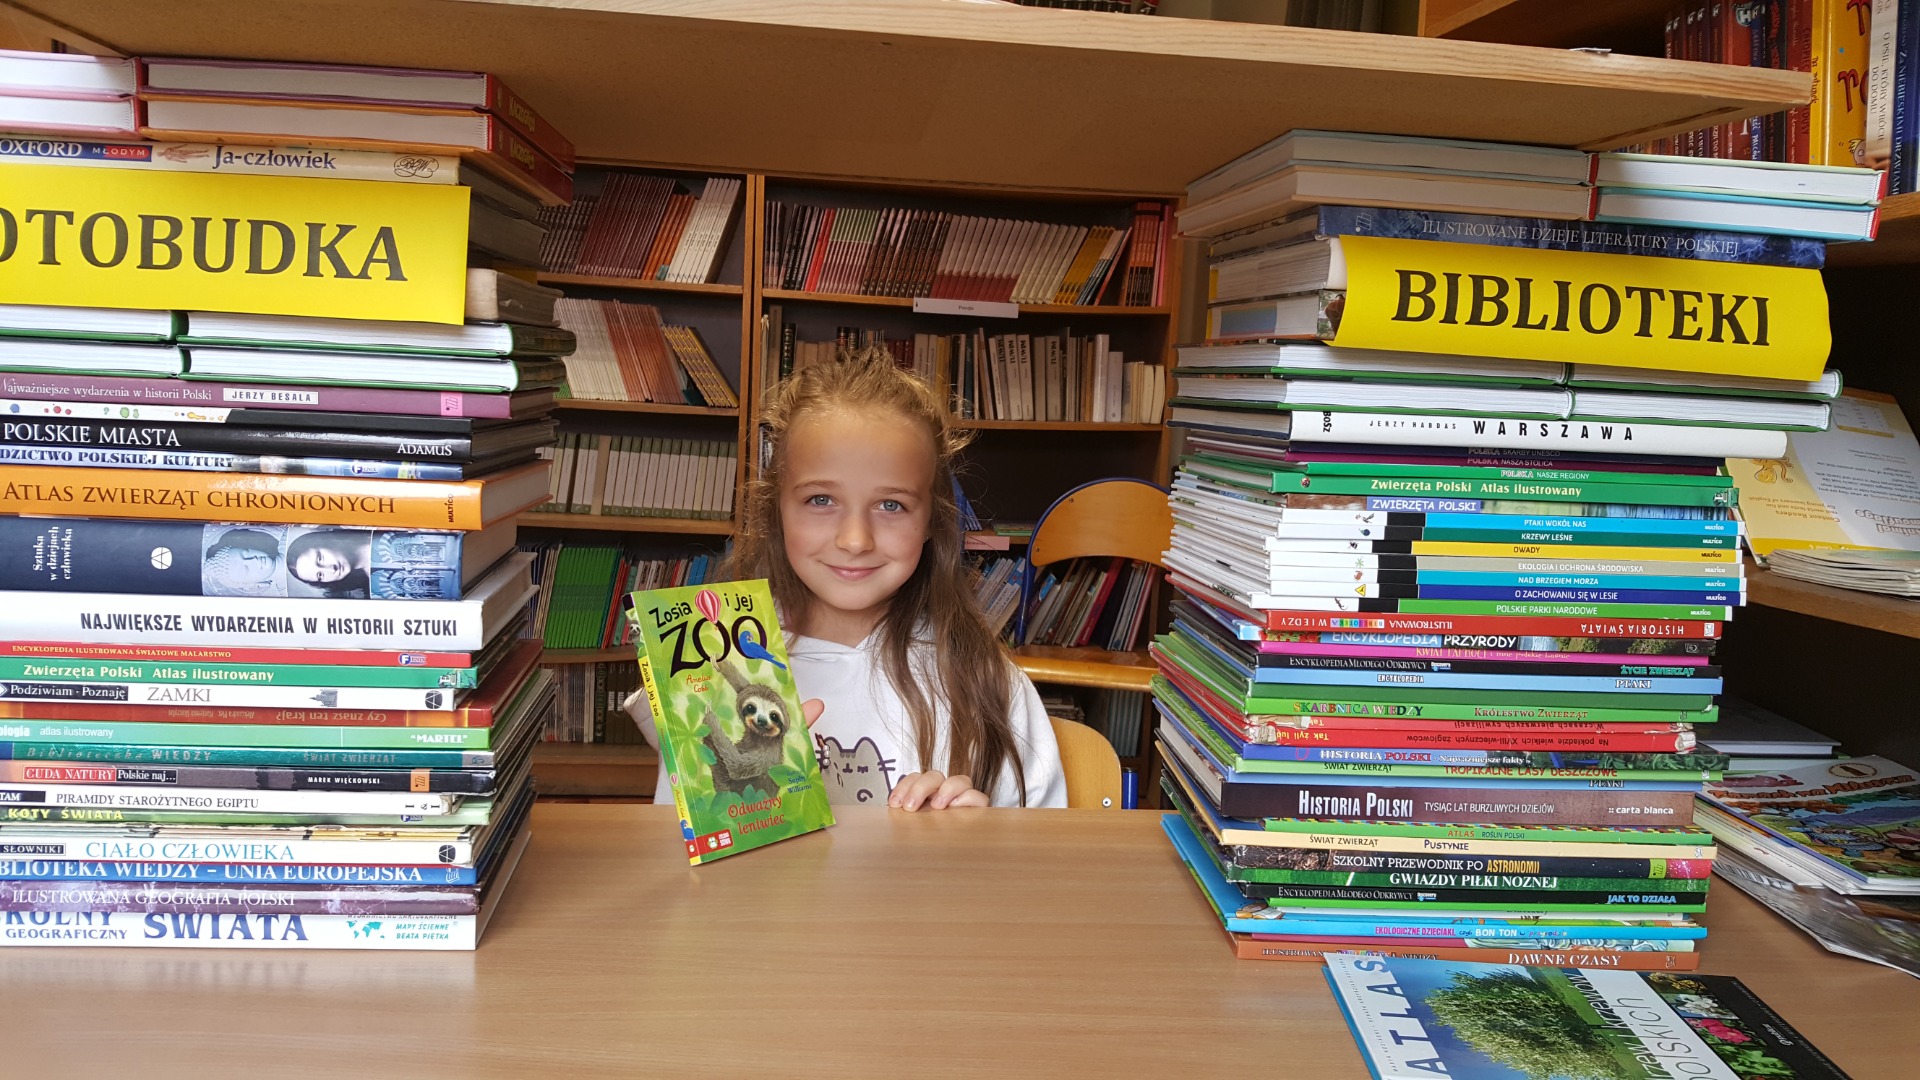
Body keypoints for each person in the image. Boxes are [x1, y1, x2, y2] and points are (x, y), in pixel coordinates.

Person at [626, 349, 1066, 810]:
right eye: (821, 500)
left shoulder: (986, 680)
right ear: (776, 509)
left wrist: (978, 847)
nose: (855, 540)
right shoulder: (710, 668)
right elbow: (690, 858)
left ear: (933, 520)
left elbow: (1040, 870)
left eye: (891, 505)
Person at [285, 528, 372, 599]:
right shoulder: (374, 591)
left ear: (325, 542)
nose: (331, 569)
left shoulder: (368, 529)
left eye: (320, 559)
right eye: (320, 575)